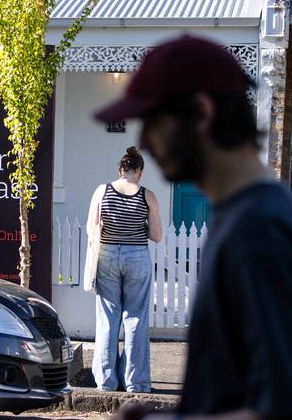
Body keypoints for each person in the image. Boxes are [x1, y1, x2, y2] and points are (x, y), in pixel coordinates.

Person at [94, 35, 292, 420]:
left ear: (201, 113)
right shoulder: (239, 216)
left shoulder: (258, 229)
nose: (144, 143)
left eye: (152, 122)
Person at [87, 146, 162, 394]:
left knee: (108, 319)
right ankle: (136, 382)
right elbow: (156, 235)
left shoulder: (102, 191)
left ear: (120, 169)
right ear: (139, 171)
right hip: (137, 256)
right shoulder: (147, 196)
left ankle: (107, 382)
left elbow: (92, 228)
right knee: (136, 318)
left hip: (107, 254)